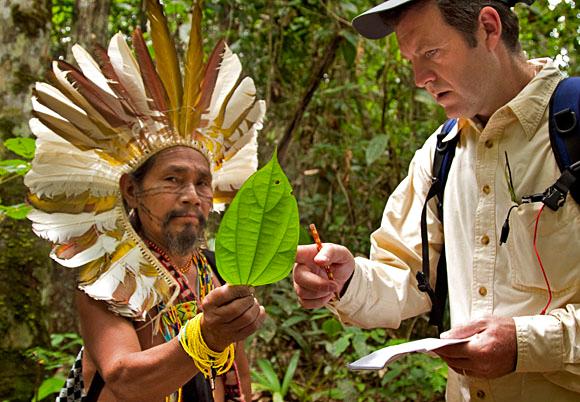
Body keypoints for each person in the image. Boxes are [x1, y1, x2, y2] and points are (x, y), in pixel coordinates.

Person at [292, 1, 580, 401]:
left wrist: (528, 344)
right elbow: (410, 278)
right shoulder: (441, 152)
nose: (418, 78)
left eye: (430, 53)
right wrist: (347, 280)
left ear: (488, 29)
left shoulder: (572, 129)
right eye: (410, 59)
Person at [25, 1, 266, 401]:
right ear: (130, 190)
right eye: (173, 179)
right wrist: (207, 334)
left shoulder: (214, 272)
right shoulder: (106, 277)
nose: (191, 196)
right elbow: (125, 380)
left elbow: (237, 377)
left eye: (203, 183)